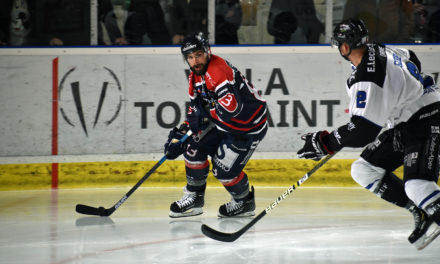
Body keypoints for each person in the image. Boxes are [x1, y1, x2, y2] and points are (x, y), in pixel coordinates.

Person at [297, 18, 440, 248]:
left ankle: (433, 210)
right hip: (406, 121)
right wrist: (400, 94)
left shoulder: (366, 78)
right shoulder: (380, 48)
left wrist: (326, 142)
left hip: (425, 117)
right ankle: (422, 212)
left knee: (417, 185)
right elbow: (413, 57)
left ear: (344, 47)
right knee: (364, 169)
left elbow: (364, 131)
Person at [163, 32, 268, 218]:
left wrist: (203, 114)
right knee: (192, 147)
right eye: (189, 57)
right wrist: (182, 134)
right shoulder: (194, 77)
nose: (195, 61)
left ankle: (244, 202)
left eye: (198, 55)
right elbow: (196, 110)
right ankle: (194, 198)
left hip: (247, 127)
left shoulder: (219, 71)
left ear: (207, 51)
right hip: (221, 123)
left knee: (223, 170)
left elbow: (232, 110)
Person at [342, 0, 414, 43]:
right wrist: (358, 44)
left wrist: (398, 43)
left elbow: (407, 22)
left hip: (393, 47)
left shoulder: (400, 1)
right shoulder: (354, 1)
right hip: (364, 50)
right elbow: (347, 25)